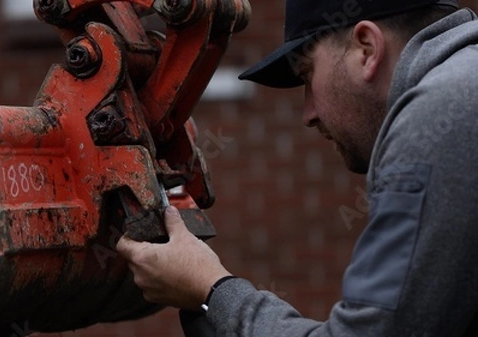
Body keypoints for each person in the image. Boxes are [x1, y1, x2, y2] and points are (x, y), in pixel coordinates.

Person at [117, 0, 478, 335]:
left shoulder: (437, 114)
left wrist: (210, 289)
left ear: (366, 49)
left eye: (307, 74)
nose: (308, 114)